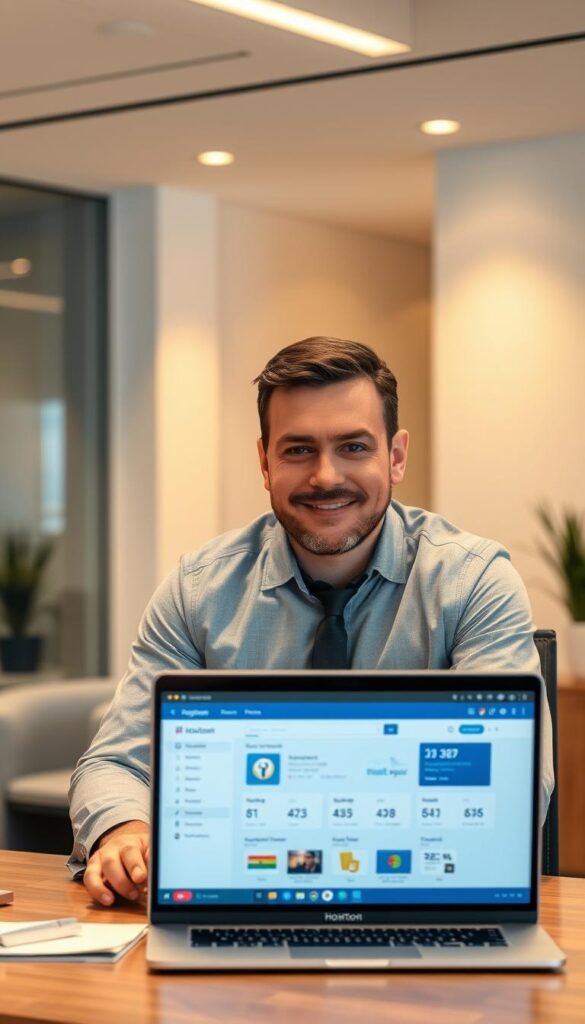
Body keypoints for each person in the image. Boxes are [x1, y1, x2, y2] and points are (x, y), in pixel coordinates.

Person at [69, 336, 554, 905]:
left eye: (353, 446)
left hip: (417, 897)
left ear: (396, 456)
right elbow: (115, 761)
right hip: (240, 900)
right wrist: (125, 828)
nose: (326, 476)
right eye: (298, 450)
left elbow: (510, 780)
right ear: (264, 461)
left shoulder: (472, 581)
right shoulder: (197, 590)